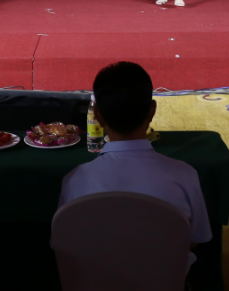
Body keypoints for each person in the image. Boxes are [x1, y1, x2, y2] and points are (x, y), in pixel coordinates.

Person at [59, 62, 211, 258]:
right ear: (152, 110)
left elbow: (65, 243)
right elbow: (195, 240)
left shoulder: (74, 181)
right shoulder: (185, 176)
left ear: (97, 115)